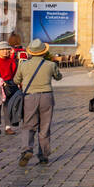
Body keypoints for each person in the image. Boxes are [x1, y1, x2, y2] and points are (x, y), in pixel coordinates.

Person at [16, 39, 63, 167]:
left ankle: (26, 149)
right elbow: (58, 77)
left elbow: (16, 79)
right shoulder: (50, 64)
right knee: (45, 127)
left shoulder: (23, 65)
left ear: (30, 52)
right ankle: (43, 155)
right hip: (47, 96)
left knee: (28, 125)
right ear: (43, 52)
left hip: (30, 97)